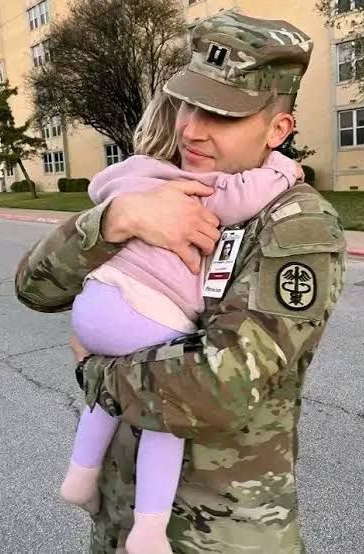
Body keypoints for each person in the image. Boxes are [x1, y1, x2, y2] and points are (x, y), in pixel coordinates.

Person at [15, 11, 346, 554]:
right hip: (118, 516)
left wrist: (95, 372)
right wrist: (116, 220)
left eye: (222, 115)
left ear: (277, 129)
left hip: (216, 534)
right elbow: (35, 289)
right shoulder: (156, 184)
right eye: (189, 104)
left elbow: (223, 387)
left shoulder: (295, 224)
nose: (191, 128)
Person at [60, 113, 303, 554]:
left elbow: (96, 191)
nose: (194, 135)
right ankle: (150, 530)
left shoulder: (123, 179)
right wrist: (283, 169)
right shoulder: (187, 187)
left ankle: (80, 476)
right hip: (144, 312)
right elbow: (239, 198)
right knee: (168, 410)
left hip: (93, 305)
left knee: (105, 397)